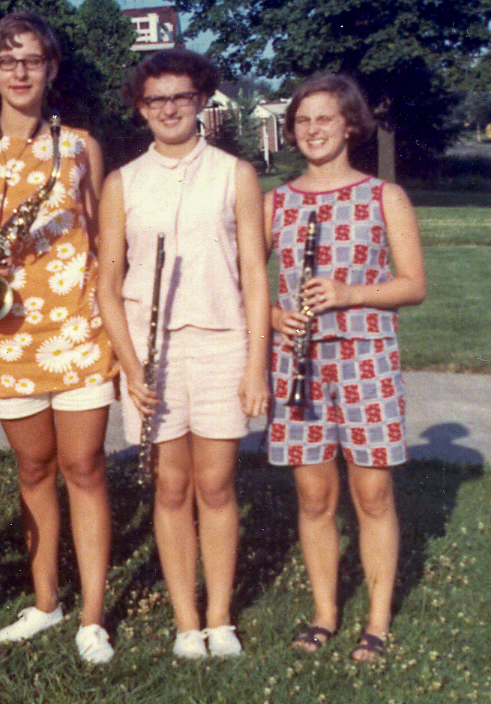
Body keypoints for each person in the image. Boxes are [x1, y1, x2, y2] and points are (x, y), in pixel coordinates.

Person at [0, 12, 117, 664]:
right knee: (34, 468)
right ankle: (46, 602)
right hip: (3, 330)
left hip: (77, 326)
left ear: (51, 68)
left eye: (32, 60)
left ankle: (92, 616)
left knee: (85, 467)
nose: (19, 72)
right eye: (6, 61)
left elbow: (104, 238)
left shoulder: (82, 145)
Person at [97, 48, 271, 659]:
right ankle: (185, 623)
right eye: (155, 99)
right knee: (171, 487)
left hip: (223, 343)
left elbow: (254, 271)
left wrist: (256, 364)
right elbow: (107, 286)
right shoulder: (122, 182)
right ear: (140, 108)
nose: (169, 109)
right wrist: (130, 365)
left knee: (217, 483)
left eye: (181, 97)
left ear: (200, 101)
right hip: (152, 353)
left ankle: (220, 618)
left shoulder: (235, 174)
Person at [264, 73, 426, 661]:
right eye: (303, 121)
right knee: (313, 497)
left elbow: (413, 286)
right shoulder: (276, 201)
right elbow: (246, 283)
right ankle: (324, 614)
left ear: (350, 125)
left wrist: (349, 294)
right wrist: (276, 315)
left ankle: (377, 622)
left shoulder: (385, 196)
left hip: (366, 359)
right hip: (298, 364)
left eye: (325, 119)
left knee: (374, 492)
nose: (313, 130)